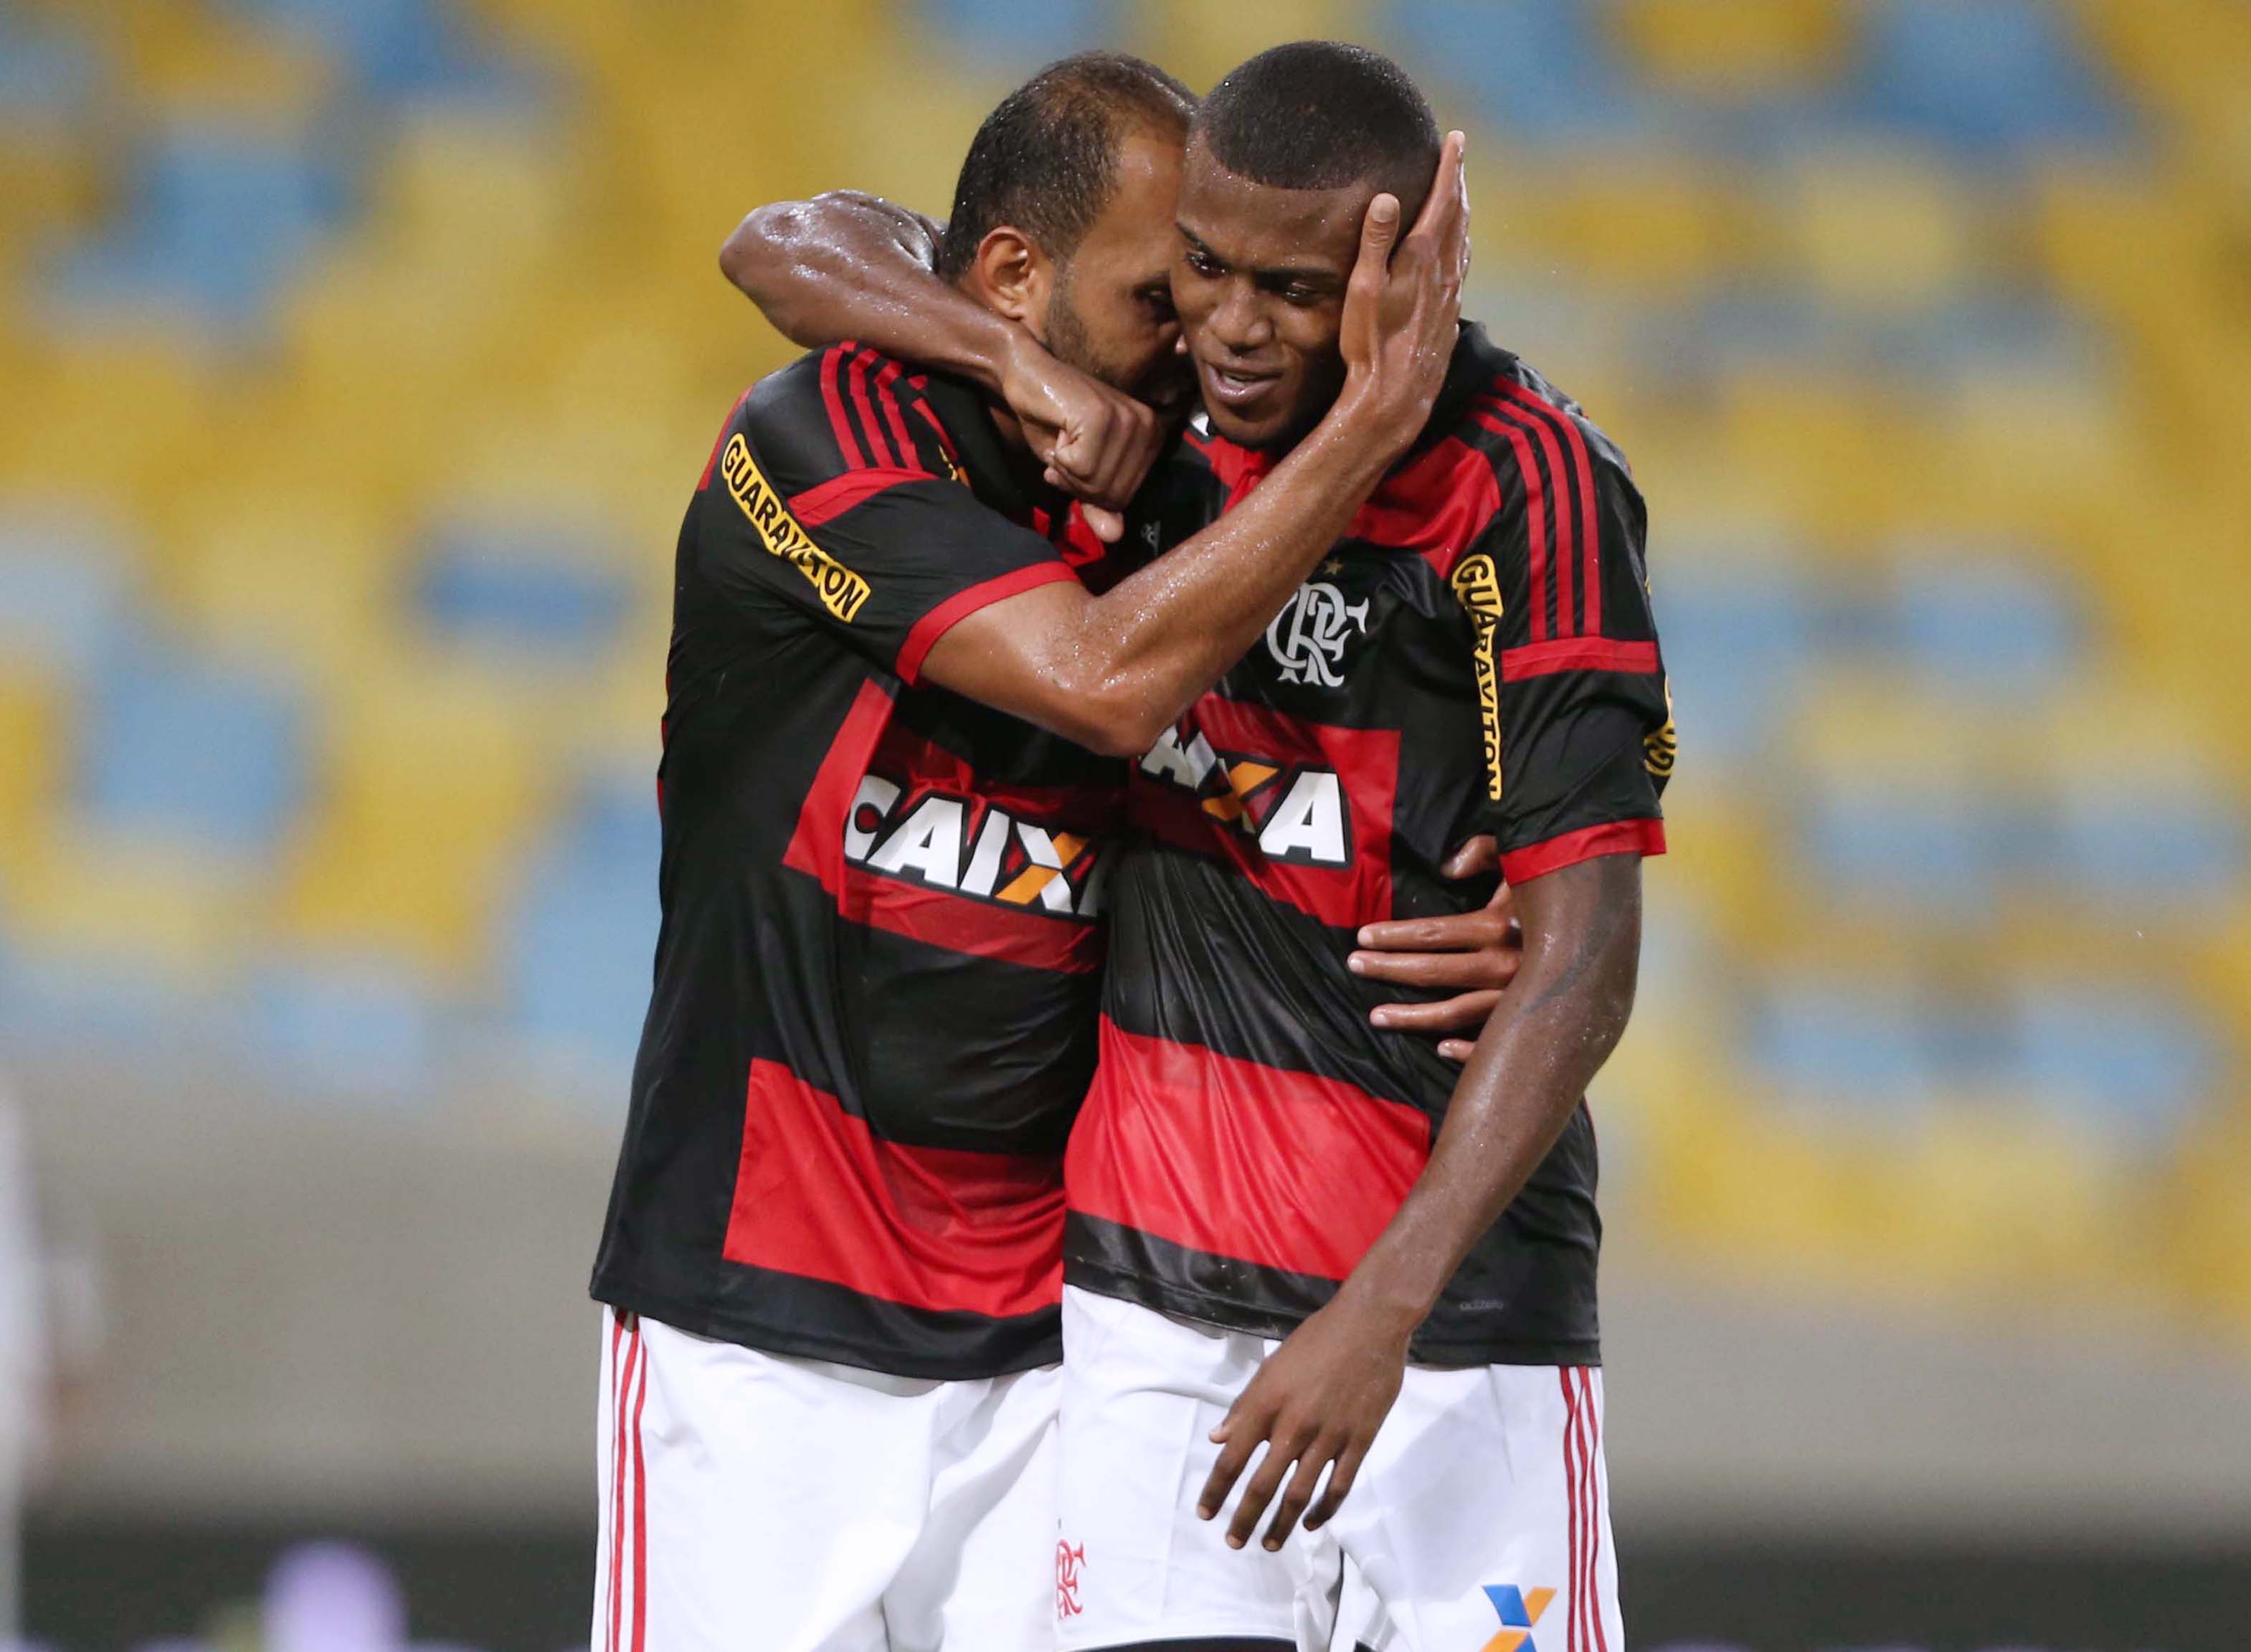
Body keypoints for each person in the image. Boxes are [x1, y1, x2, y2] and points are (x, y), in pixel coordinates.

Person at [725, 40, 1674, 1652]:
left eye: (1296, 291)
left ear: (1411, 268)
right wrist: (1009, 358)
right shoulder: (1149, 428)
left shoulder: (1534, 487)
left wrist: (1382, 1311)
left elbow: (1585, 955)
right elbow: (788, 244)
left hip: (1454, 1337)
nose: (1233, 331)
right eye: (1205, 272)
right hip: (1149, 1319)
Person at [591, 52, 1484, 1652]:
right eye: (1163, 293)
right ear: (1012, 274)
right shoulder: (826, 433)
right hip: (759, 1322)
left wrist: (1505, 928)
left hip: (1040, 1347)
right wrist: (1370, 427)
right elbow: (1106, 682)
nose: (1207, 338)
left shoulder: (1169, 488)